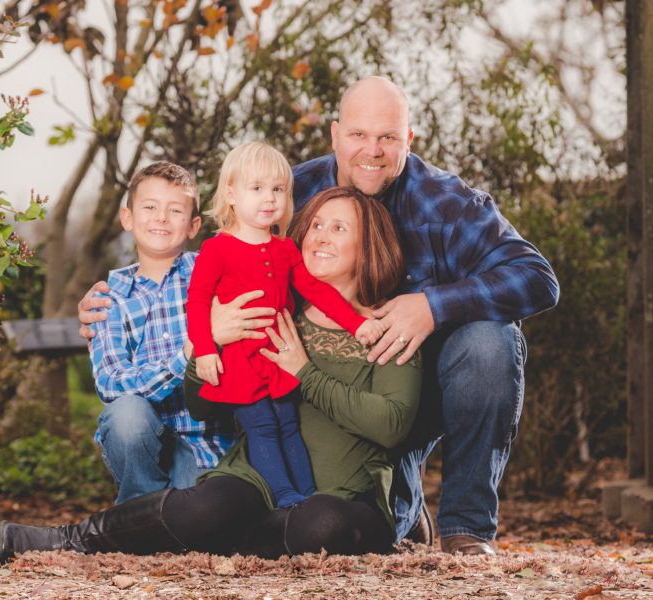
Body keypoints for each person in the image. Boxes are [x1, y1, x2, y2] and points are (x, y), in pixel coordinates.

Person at [77, 76, 560, 555]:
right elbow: (223, 261)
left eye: (388, 137)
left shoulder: (446, 203)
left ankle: (467, 529)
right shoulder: (294, 191)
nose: (371, 150)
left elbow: (536, 277)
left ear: (408, 140)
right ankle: (387, 504)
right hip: (307, 389)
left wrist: (432, 306)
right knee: (269, 494)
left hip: (417, 381)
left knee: (489, 342)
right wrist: (123, 296)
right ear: (334, 135)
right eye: (358, 135)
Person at [0, 186, 421, 564]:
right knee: (205, 506)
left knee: (321, 523)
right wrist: (209, 347)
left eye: (340, 229)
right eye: (316, 225)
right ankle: (61, 540)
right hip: (259, 482)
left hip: (347, 495)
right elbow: (200, 404)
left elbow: (391, 426)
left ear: (369, 245)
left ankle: (230, 540)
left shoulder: (389, 325)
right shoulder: (274, 310)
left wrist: (305, 373)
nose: (321, 237)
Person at [187, 141, 383, 508]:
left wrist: (356, 326)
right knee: (261, 427)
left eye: (277, 189)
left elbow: (316, 291)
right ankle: (284, 497)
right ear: (231, 193)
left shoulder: (285, 249)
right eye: (257, 188)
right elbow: (197, 302)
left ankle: (308, 498)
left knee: (288, 425)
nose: (269, 198)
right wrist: (205, 349)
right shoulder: (218, 248)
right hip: (240, 360)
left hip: (278, 357)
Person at [87, 161, 234, 504]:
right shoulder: (109, 299)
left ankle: (159, 517)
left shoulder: (212, 273)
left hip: (207, 446)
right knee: (125, 414)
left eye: (175, 210)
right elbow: (110, 383)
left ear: (194, 225)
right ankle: (139, 510)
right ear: (128, 218)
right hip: (143, 444)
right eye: (149, 207)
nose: (161, 218)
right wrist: (184, 357)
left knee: (198, 515)